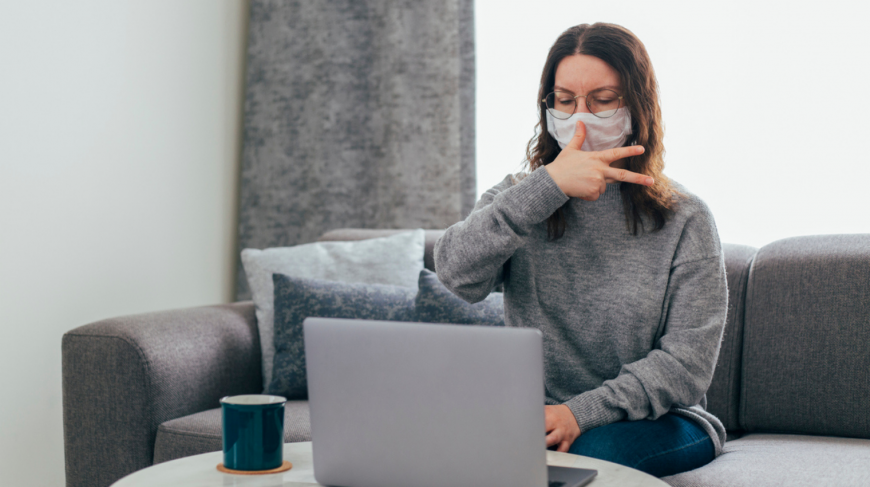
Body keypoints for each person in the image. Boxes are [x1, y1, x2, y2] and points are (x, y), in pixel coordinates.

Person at [433, 22, 728, 478]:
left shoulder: (685, 218)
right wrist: (546, 187)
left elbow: (686, 366)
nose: (581, 117)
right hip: (536, 418)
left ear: (637, 104)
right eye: (566, 101)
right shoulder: (522, 196)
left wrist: (579, 414)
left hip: (656, 420)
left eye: (603, 100)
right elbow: (456, 275)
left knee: (591, 452)